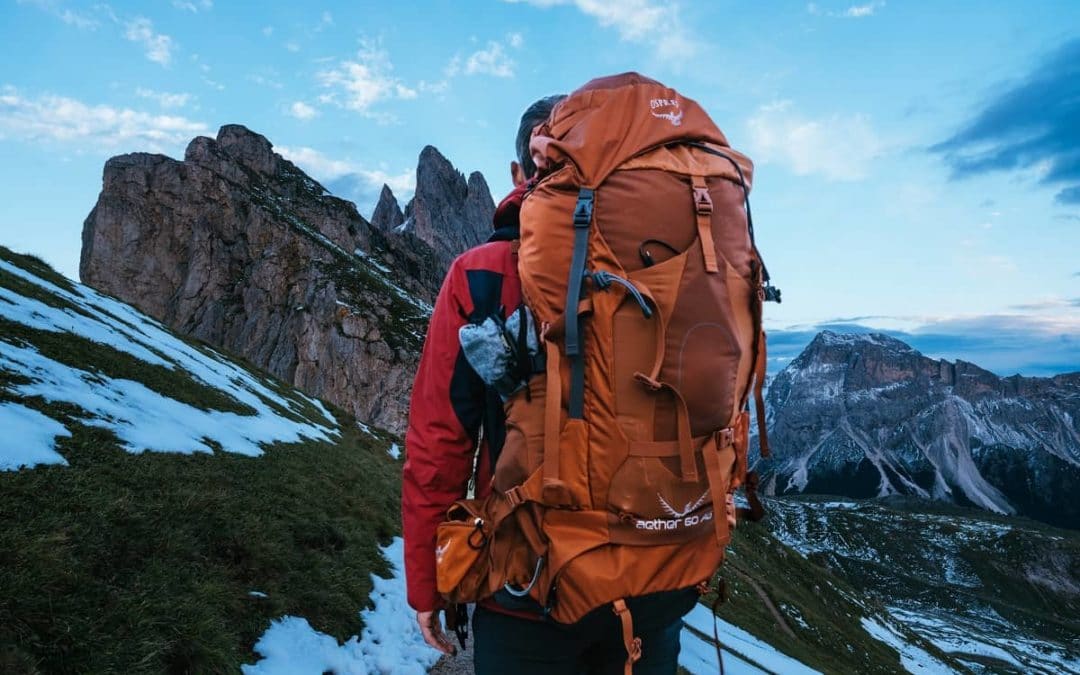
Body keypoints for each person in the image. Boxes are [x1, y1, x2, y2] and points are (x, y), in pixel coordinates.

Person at [402, 95, 698, 674]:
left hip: (527, 585)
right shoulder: (673, 262)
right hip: (654, 577)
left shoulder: (482, 272)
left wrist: (427, 583)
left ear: (521, 173)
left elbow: (440, 442)